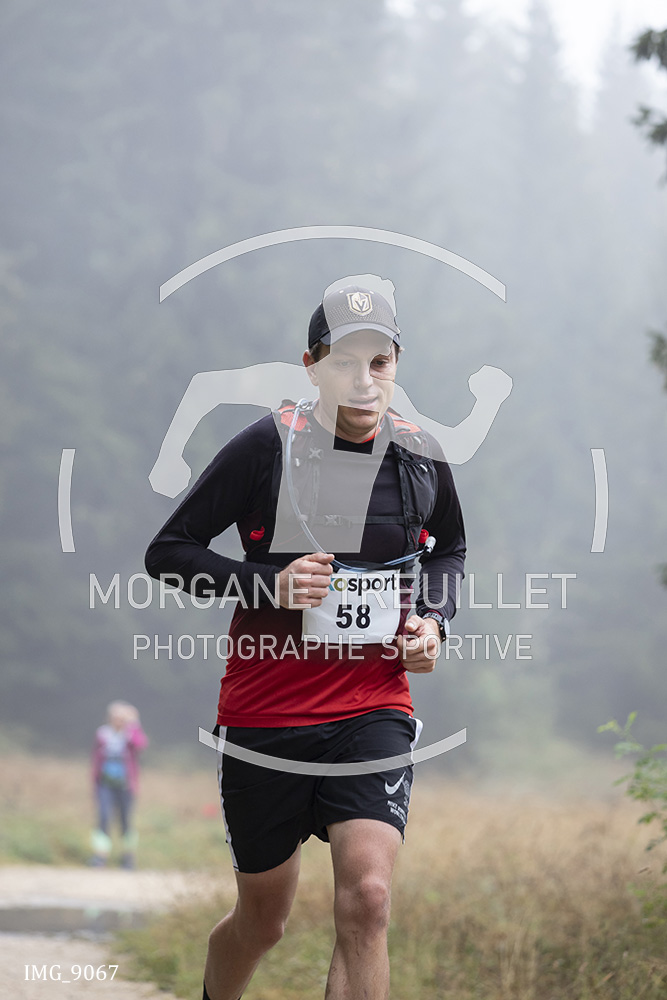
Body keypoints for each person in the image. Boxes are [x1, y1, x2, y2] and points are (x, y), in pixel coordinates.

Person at [145, 279, 466, 1000]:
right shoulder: (267, 447)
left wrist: (433, 621)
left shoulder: (420, 455)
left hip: (372, 708)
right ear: (311, 366)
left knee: (368, 900)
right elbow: (168, 552)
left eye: (379, 361)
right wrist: (271, 585)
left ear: (396, 363)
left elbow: (449, 549)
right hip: (266, 715)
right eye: (343, 361)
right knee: (264, 921)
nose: (363, 379)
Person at [90, 700, 148, 869]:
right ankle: (100, 856)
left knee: (125, 820)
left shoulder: (130, 735)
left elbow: (141, 744)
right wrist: (94, 781)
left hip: (126, 784)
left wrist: (134, 724)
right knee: (103, 817)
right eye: (116, 717)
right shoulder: (102, 734)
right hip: (105, 783)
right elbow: (95, 759)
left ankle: (128, 856)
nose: (119, 721)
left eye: (122, 718)